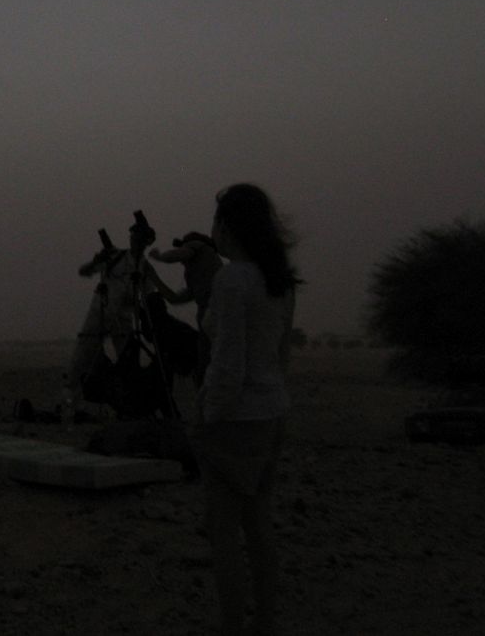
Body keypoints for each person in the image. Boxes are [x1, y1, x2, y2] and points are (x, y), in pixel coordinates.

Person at [193, 183, 299, 636]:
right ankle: (266, 622)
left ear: (228, 225)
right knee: (258, 524)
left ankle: (233, 625)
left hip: (235, 419)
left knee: (223, 533)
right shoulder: (278, 281)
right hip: (272, 413)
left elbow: (228, 364)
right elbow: (280, 355)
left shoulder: (233, 280)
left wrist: (208, 415)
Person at [66, 213, 157, 408]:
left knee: (128, 361)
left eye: (139, 237)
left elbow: (149, 295)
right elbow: (84, 271)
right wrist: (96, 261)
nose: (135, 240)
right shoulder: (115, 257)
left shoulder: (144, 268)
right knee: (83, 357)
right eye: (133, 236)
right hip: (100, 314)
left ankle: (127, 403)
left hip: (123, 321)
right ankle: (71, 398)